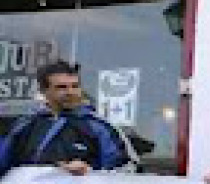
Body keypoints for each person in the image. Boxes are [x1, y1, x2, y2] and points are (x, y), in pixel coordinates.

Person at [0, 60, 128, 177]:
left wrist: (90, 172)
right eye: (62, 87)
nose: (70, 92)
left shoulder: (99, 127)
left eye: (75, 86)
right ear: (44, 91)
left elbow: (125, 172)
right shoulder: (24, 125)